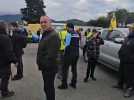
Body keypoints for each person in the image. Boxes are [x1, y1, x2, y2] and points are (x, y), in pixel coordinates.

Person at [36, 16, 60, 100]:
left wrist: (42, 64)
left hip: (49, 68)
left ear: (50, 23)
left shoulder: (53, 35)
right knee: (47, 88)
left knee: (48, 88)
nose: (43, 24)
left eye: (45, 22)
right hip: (46, 67)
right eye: (41, 22)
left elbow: (51, 55)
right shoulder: (46, 34)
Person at [114, 25, 134, 98]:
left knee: (130, 76)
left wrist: (131, 58)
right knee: (121, 72)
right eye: (129, 28)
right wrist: (120, 53)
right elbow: (123, 46)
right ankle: (120, 84)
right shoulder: (128, 37)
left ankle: (130, 89)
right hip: (123, 59)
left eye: (130, 28)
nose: (129, 29)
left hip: (131, 61)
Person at [58, 23, 79, 89]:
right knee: (74, 69)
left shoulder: (69, 34)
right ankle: (73, 83)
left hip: (69, 54)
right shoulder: (77, 34)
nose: (66, 29)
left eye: (67, 27)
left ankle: (64, 85)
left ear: (70, 27)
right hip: (76, 54)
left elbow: (67, 45)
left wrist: (64, 53)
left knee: (65, 69)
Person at [0, 21, 17, 98]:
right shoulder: (5, 38)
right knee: (5, 77)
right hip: (4, 62)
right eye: (6, 27)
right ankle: (5, 92)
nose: (8, 28)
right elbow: (9, 52)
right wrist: (15, 61)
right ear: (4, 28)